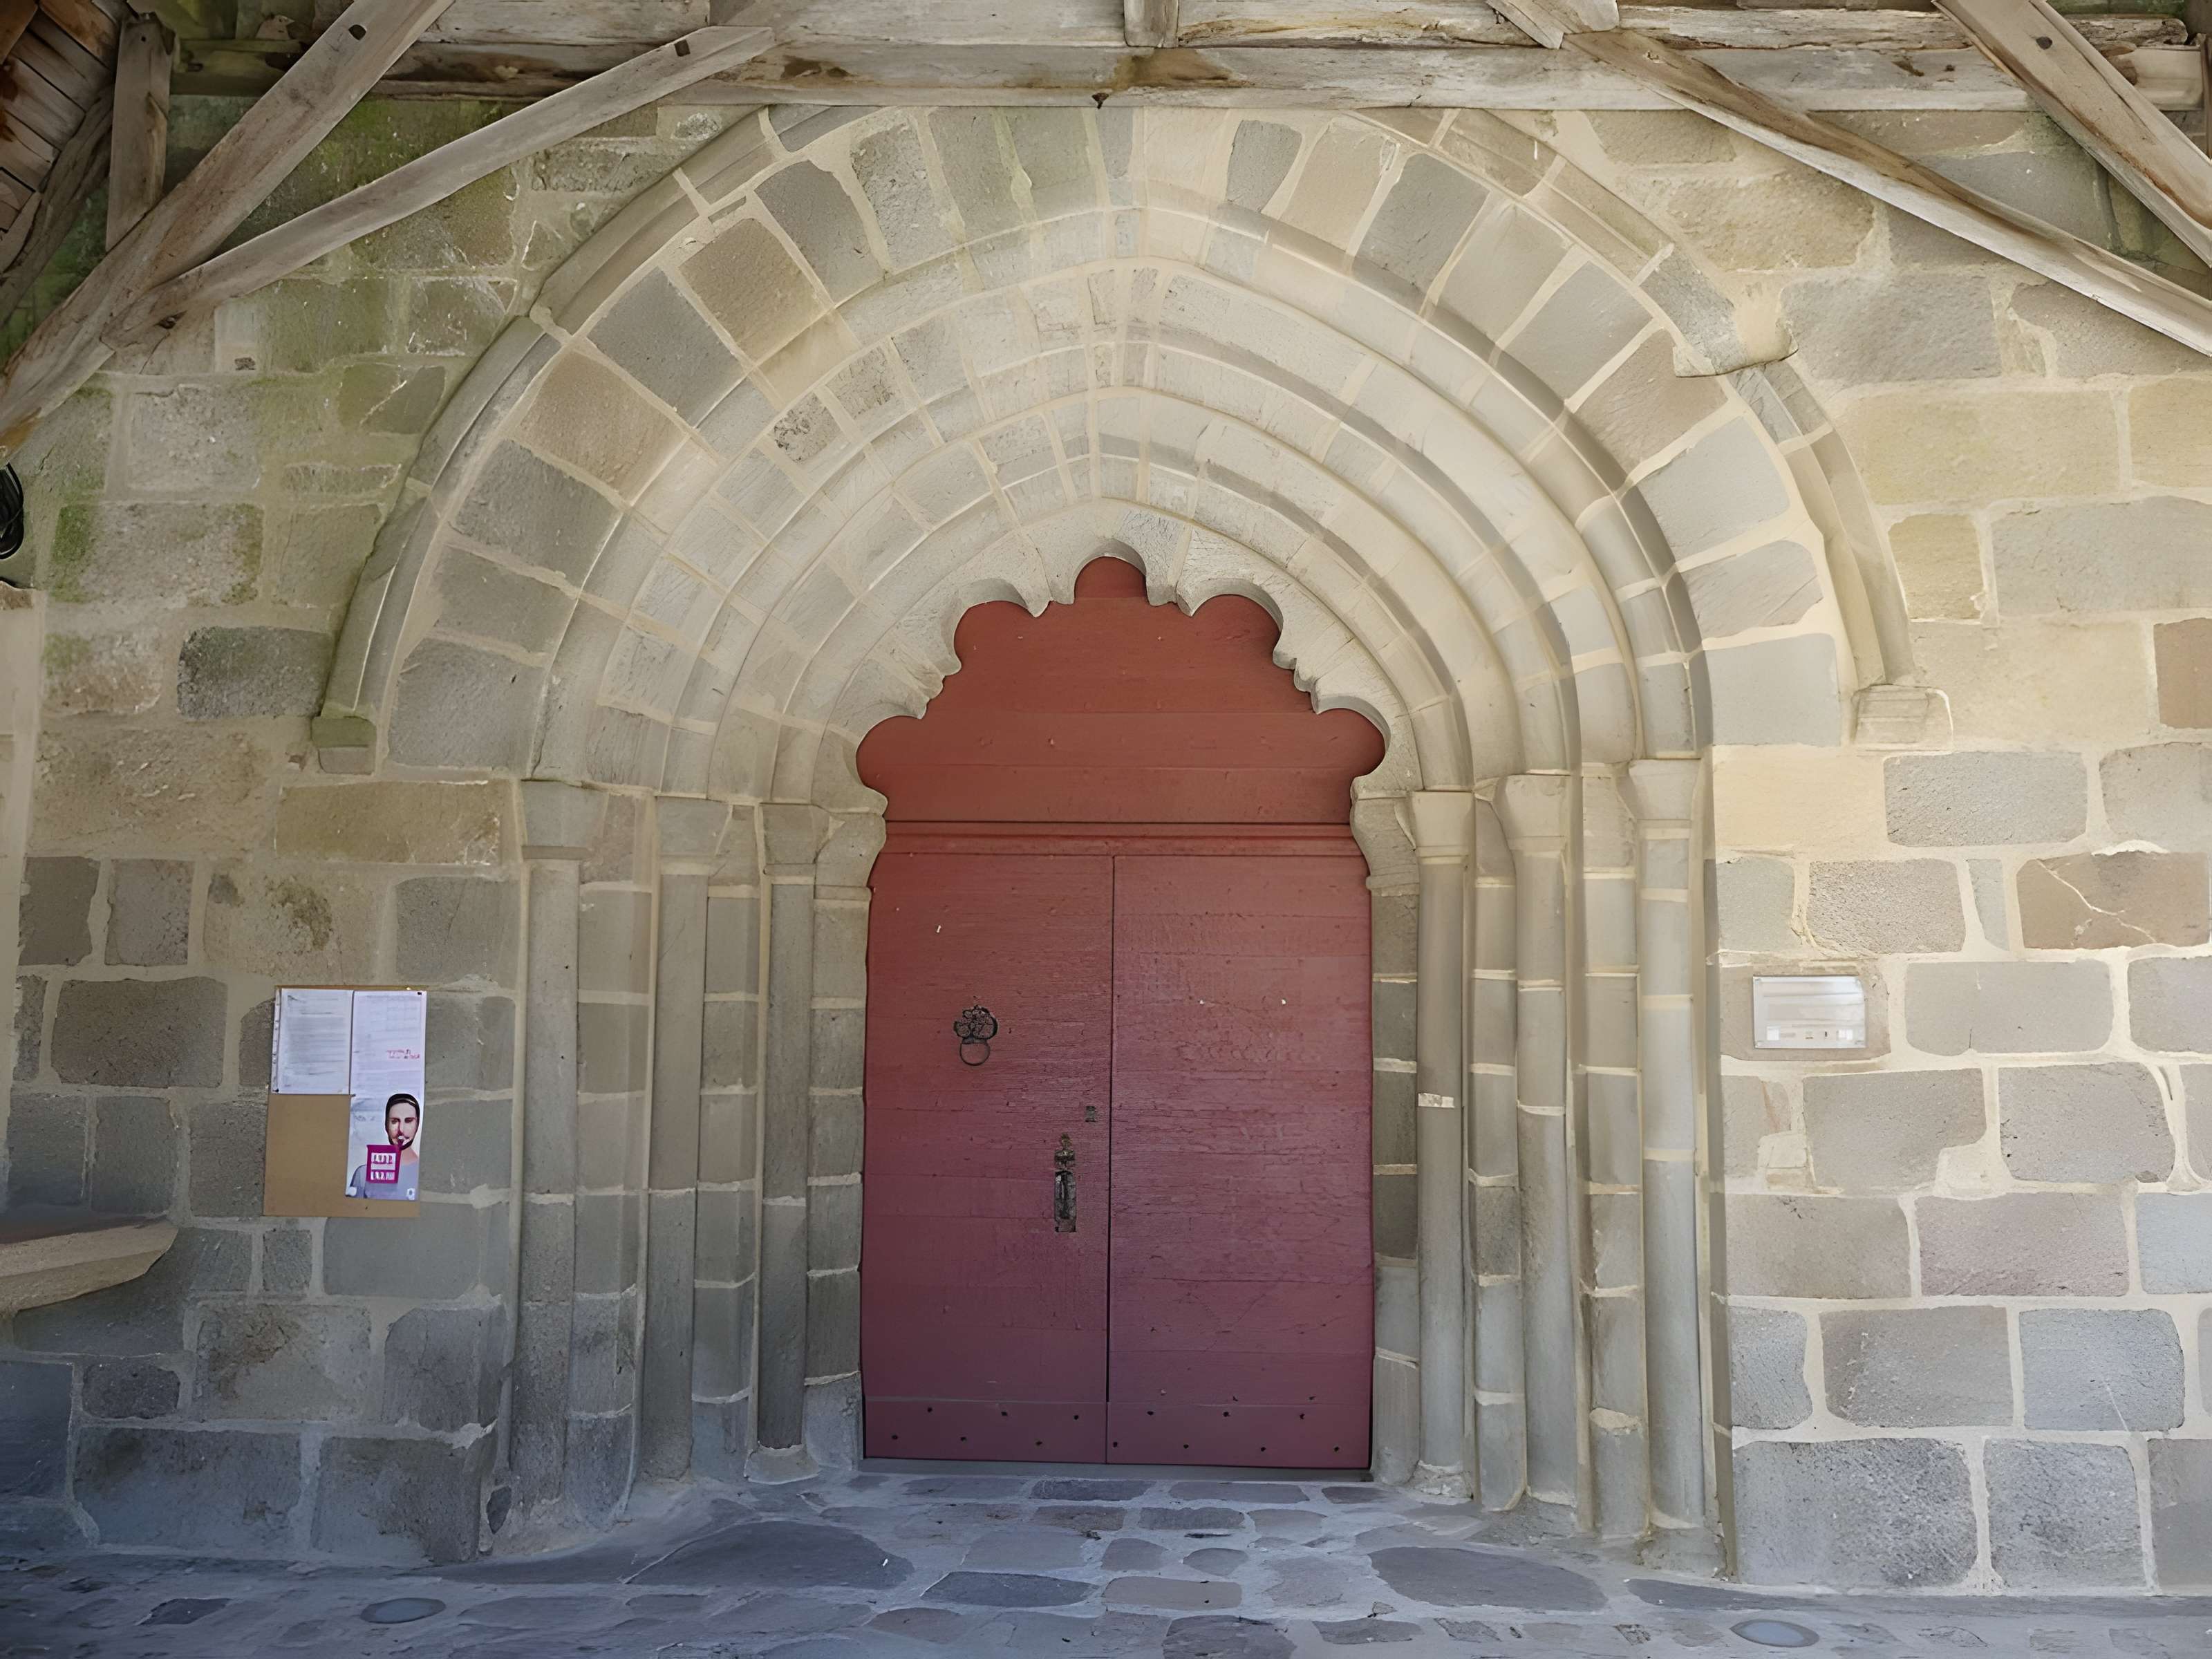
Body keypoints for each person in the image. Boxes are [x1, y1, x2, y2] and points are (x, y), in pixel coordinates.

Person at [346, 1092, 422, 1199]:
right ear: (386, 1125)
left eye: (409, 1121)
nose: (401, 1130)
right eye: (394, 1121)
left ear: (418, 1124)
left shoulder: (423, 1172)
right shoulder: (363, 1174)